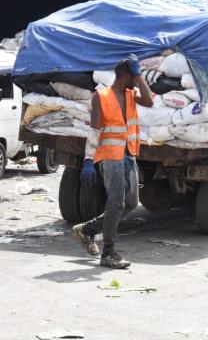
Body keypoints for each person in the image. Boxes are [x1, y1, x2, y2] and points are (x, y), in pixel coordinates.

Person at [72, 55, 154, 269]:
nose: (137, 80)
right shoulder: (101, 96)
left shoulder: (130, 94)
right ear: (125, 75)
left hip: (128, 154)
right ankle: (108, 253)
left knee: (131, 203)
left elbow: (150, 101)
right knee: (116, 202)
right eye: (134, 75)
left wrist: (139, 75)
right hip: (109, 155)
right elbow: (95, 130)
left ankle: (87, 230)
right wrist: (88, 160)